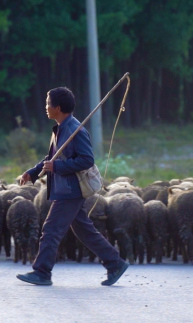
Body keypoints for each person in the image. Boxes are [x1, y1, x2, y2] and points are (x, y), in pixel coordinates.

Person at [16, 87, 129, 286]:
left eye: (47, 103)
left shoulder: (75, 129)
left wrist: (57, 166)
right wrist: (33, 172)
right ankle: (115, 263)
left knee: (51, 229)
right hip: (66, 188)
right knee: (84, 231)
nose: (46, 107)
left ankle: (42, 272)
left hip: (71, 190)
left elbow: (87, 160)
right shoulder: (61, 128)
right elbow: (52, 158)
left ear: (57, 108)